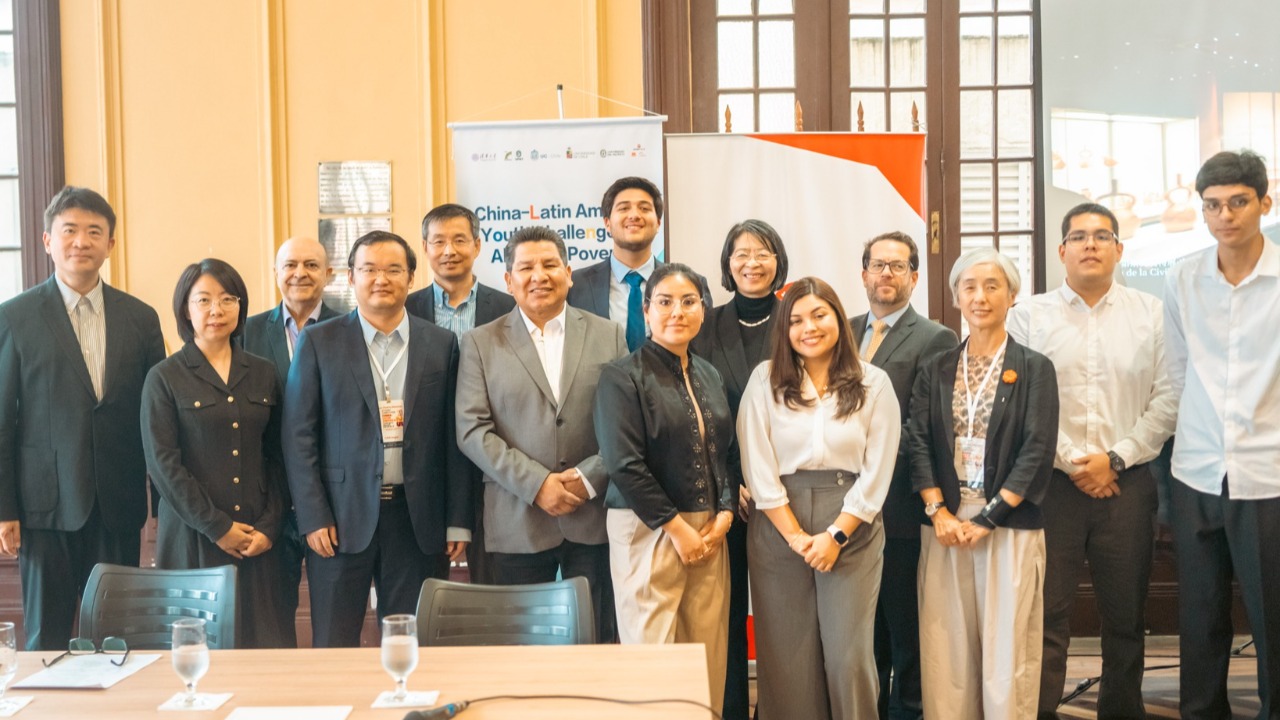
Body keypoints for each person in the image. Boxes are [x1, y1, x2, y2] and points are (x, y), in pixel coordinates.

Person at [1007, 204, 1177, 719]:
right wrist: (1075, 463)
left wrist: (1116, 459)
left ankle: (1121, 710)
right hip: (1050, 487)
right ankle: (1040, 711)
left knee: (1125, 618)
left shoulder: (1152, 313)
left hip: (1128, 485)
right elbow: (1022, 402)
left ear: (1119, 250)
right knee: (1047, 616)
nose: (1090, 244)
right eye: (1079, 236)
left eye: (1102, 236)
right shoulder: (1028, 316)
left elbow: (1169, 397)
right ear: (1061, 250)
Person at [283, 230, 471, 648]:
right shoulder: (319, 341)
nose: (381, 279)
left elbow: (454, 439)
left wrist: (457, 517)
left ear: (411, 277)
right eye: (369, 269)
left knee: (412, 644)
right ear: (351, 277)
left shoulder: (441, 344)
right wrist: (312, 515)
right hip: (339, 519)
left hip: (417, 520)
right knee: (333, 642)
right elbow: (298, 437)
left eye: (393, 269)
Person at [0, 186, 166, 650]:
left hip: (118, 502)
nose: (81, 241)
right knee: (45, 640)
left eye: (94, 232)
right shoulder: (15, 317)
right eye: (69, 230)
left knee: (117, 639)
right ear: (47, 240)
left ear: (110, 244)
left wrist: (162, 505)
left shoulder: (141, 318)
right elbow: (2, 421)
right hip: (44, 508)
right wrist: (4, 508)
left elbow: (157, 419)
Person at [738, 276, 901, 720]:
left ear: (838, 319)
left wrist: (836, 536)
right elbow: (758, 465)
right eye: (795, 320)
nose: (808, 327)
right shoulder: (764, 379)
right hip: (778, 522)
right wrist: (795, 537)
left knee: (849, 657)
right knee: (787, 659)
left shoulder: (873, 382)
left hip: (851, 522)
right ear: (784, 329)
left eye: (819, 315)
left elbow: (878, 471)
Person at [455, 226, 627, 643]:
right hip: (516, 520)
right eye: (526, 267)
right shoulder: (480, 343)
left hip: (591, 518)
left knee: (595, 640)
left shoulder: (609, 335)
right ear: (508, 280)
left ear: (568, 273)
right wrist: (538, 485)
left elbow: (625, 424)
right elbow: (472, 429)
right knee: (520, 646)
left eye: (550, 265)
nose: (539, 276)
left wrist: (587, 478)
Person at [907, 248, 1058, 719]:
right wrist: (938, 511)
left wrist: (990, 518)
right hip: (946, 525)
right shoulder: (936, 367)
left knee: (1007, 648)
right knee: (946, 648)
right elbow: (918, 441)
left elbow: (1037, 450)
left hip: (1008, 524)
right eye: (969, 287)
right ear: (956, 297)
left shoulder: (1034, 367)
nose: (980, 296)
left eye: (993, 286)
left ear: (1012, 296)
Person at [1164, 150, 1280, 719]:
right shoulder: (1182, 277)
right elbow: (1177, 370)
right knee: (1200, 614)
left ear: (1265, 202)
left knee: (1272, 615)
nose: (1225, 216)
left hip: (1268, 470)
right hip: (1197, 467)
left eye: (1238, 202)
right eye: (1212, 205)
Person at [596, 263, 737, 716]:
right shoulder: (621, 376)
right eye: (665, 302)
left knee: (707, 657)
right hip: (648, 529)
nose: (678, 312)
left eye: (689, 302)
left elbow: (726, 453)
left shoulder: (710, 374)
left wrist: (726, 514)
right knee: (653, 657)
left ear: (703, 310)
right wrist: (677, 529)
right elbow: (624, 464)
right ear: (646, 310)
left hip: (710, 532)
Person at [142, 259, 288, 648]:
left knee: (263, 649)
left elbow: (279, 457)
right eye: (203, 300)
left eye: (227, 299)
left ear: (240, 306)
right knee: (198, 652)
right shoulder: (165, 377)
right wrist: (217, 527)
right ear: (185, 309)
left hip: (256, 539)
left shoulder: (263, 372)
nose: (216, 310)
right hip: (192, 538)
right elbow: (163, 464)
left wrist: (271, 526)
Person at [850, 232, 957, 720]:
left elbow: (925, 424)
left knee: (904, 628)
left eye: (898, 266)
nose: (886, 274)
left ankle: (907, 712)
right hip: (844, 504)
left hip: (898, 507)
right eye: (878, 265)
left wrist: (872, 460)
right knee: (862, 631)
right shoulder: (843, 329)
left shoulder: (936, 338)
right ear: (864, 274)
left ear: (914, 276)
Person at [689, 219, 790, 720]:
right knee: (724, 617)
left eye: (763, 252)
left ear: (778, 261)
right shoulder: (703, 325)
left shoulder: (799, 319)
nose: (752, 263)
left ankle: (780, 709)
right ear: (728, 264)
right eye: (741, 253)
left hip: (788, 497)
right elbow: (693, 414)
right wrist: (734, 485)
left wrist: (767, 483)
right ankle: (729, 711)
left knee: (783, 617)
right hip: (722, 498)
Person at [406, 203, 515, 585]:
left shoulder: (508, 307)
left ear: (477, 245)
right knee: (426, 585)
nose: (448, 250)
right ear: (424, 247)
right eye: (438, 241)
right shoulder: (405, 308)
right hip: (428, 461)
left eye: (459, 240)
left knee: (495, 581)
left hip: (492, 457)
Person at [240, 236, 341, 647]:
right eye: (290, 265)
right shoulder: (245, 332)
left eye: (311, 265)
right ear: (276, 273)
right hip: (267, 500)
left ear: (328, 274)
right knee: (271, 623)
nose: (300, 273)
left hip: (331, 498)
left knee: (334, 621)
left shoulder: (348, 329)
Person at [567, 176, 709, 350]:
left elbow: (700, 349)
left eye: (644, 208)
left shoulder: (692, 285)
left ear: (658, 223)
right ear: (607, 223)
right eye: (624, 208)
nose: (634, 215)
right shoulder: (574, 286)